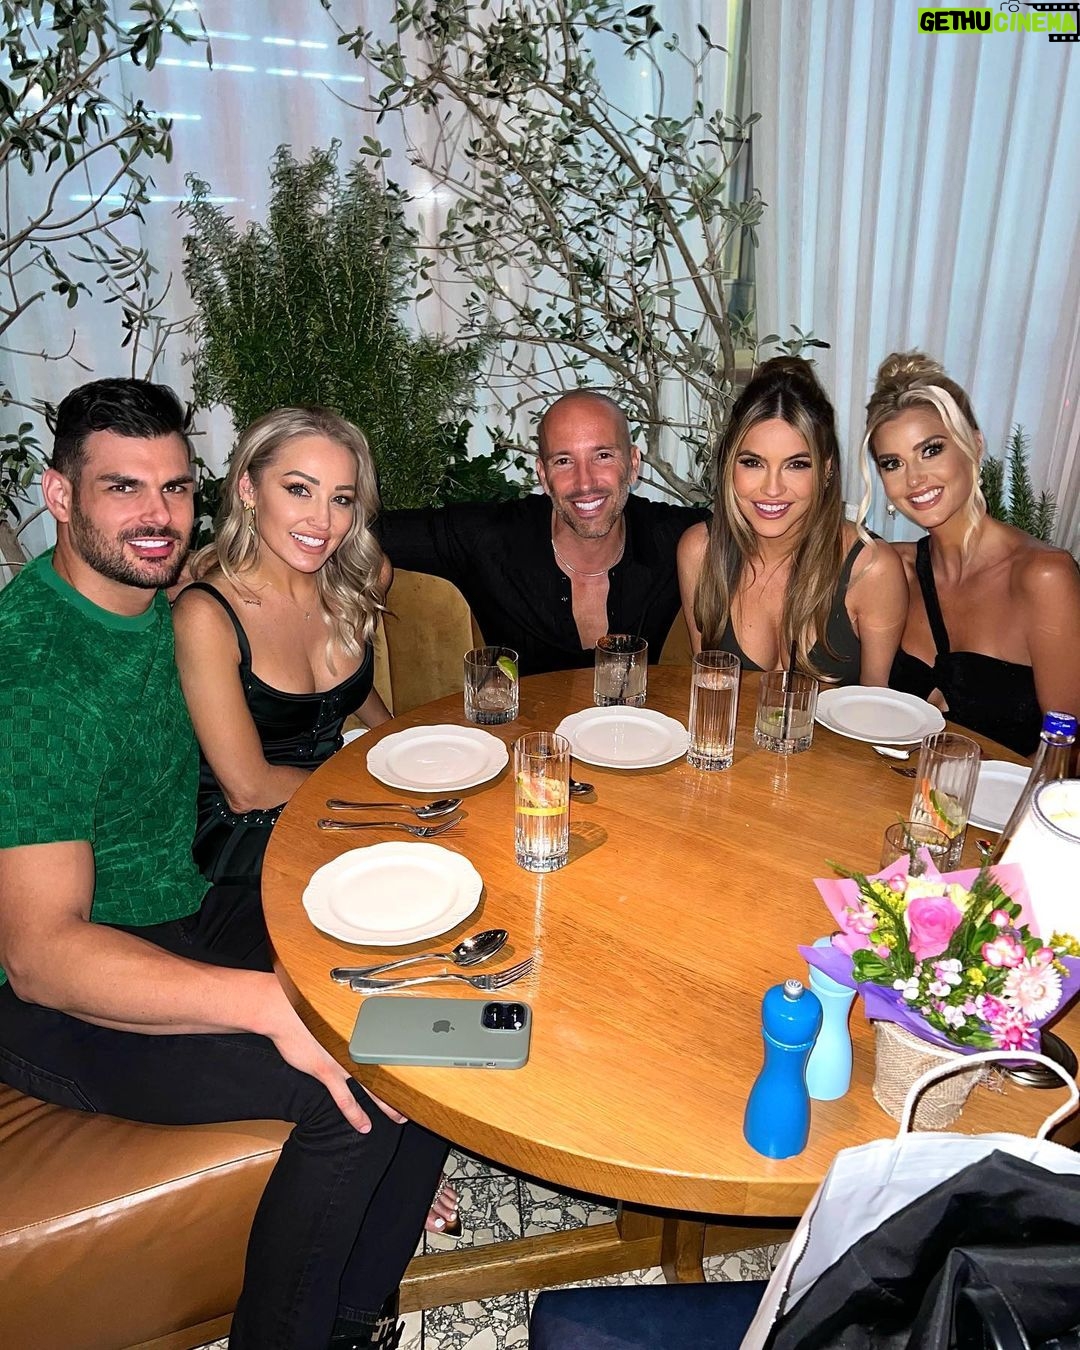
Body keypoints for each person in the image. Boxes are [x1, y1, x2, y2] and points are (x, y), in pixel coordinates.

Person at [0, 379, 453, 1350]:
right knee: (346, 1093)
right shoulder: (34, 673)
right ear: (59, 494)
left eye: (173, 487)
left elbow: (268, 600)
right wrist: (269, 1005)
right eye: (122, 487)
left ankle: (352, 1321)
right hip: (59, 987)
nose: (156, 515)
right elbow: (40, 956)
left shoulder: (162, 595)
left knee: (431, 1017)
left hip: (193, 901)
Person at [172, 407, 391, 888]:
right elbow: (247, 789)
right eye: (298, 489)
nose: (322, 520)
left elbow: (344, 693)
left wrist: (400, 745)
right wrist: (375, 799)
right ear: (249, 490)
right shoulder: (207, 615)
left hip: (338, 806)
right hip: (247, 833)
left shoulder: (358, 581)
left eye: (341, 499)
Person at [374, 390, 708, 674]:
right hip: (524, 731)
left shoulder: (674, 536)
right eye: (564, 461)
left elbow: (738, 532)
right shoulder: (492, 538)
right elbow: (362, 530)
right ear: (543, 475)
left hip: (638, 730)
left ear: (633, 464)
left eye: (603, 456)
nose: (585, 482)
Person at [864, 352, 1080, 756]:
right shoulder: (894, 570)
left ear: (974, 447)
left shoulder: (1043, 577)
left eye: (931, 450)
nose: (915, 478)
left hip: (1008, 797)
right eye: (893, 463)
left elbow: (1067, 749)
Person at [677, 358, 907, 685]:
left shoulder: (872, 569)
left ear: (826, 470)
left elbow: (875, 707)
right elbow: (709, 692)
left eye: (796, 465)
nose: (772, 489)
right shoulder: (700, 552)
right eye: (753, 463)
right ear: (729, 464)